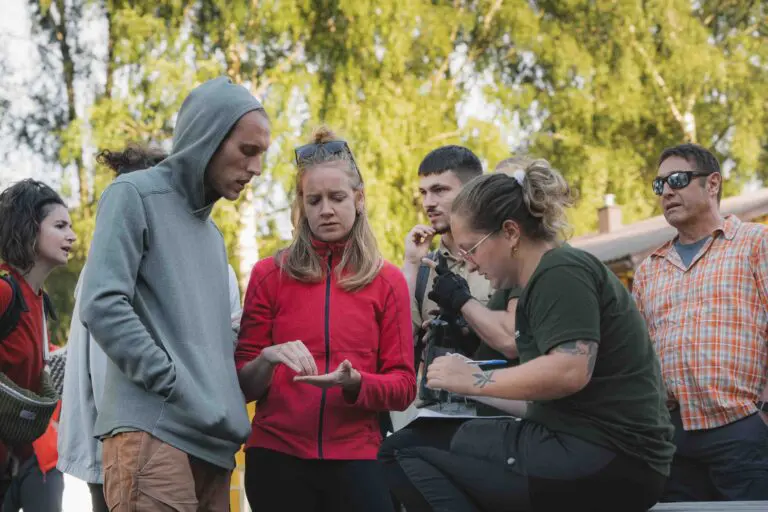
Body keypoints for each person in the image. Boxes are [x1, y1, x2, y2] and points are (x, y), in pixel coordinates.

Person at [390, 159, 675, 511]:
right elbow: (539, 400)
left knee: (402, 450)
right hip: (589, 446)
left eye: (471, 248)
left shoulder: (561, 270)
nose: (471, 263)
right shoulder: (533, 286)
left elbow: (570, 370)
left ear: (510, 232)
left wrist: (475, 378)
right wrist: (461, 386)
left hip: (611, 456)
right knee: (418, 439)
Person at [78, 76, 269, 511]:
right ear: (207, 137)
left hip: (214, 446)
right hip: (153, 431)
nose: (256, 168)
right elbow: (102, 303)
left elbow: (212, 343)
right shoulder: (133, 194)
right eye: (247, 150)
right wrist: (171, 382)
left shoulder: (214, 235)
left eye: (262, 155)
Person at [235, 127, 416, 512]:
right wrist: (267, 358)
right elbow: (242, 386)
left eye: (337, 197)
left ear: (359, 199)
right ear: (301, 206)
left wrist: (357, 383)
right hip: (277, 459)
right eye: (313, 200)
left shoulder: (388, 282)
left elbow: (403, 386)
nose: (326, 209)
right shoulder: (269, 275)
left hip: (358, 459)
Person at [380, 154, 529, 510]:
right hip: (440, 417)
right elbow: (398, 341)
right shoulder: (426, 265)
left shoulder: (505, 257)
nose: (429, 202)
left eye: (440, 190)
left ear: (473, 191)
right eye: (423, 193)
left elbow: (516, 339)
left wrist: (468, 315)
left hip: (502, 416)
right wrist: (411, 263)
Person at [632, 143, 768, 502]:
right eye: (659, 185)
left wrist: (764, 416)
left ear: (712, 185)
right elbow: (639, 356)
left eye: (677, 179)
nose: (667, 192)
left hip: (744, 428)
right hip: (672, 437)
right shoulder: (649, 269)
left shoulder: (756, 244)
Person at [0, 179, 76, 511]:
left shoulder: (38, 304)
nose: (71, 236)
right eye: (60, 226)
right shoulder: (5, 292)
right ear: (29, 229)